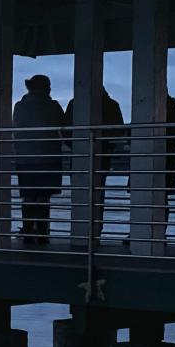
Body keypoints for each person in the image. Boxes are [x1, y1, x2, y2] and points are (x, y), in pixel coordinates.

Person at [13, 74, 67, 244]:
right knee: (44, 197)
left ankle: (28, 232)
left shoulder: (20, 106)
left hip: (26, 158)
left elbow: (17, 129)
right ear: (47, 88)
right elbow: (63, 126)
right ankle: (43, 233)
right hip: (49, 157)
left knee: (28, 196)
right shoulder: (54, 106)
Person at [64, 87, 125, 238]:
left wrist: (74, 145)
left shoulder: (74, 103)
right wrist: (107, 143)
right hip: (103, 153)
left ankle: (80, 231)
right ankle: (96, 230)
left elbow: (65, 129)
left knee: (78, 192)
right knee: (98, 193)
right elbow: (119, 130)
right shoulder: (112, 105)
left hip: (79, 153)